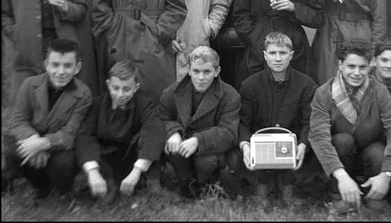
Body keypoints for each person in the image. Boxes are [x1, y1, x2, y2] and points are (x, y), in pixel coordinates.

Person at [309, 38, 391, 212]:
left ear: (370, 66)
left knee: (378, 151)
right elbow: (319, 136)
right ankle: (339, 195)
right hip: (340, 155)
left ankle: (372, 194)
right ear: (340, 65)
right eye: (351, 66)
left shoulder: (379, 90)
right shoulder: (324, 93)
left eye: (362, 67)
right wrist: (341, 176)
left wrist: (387, 174)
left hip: (369, 152)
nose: (356, 73)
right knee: (342, 140)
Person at [3, 39, 93, 198]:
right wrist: (33, 140)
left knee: (64, 164)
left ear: (77, 68)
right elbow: (18, 120)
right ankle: (40, 185)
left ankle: (62, 189)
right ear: (47, 65)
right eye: (55, 65)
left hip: (58, 147)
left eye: (67, 66)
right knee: (13, 153)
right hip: (32, 140)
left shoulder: (83, 94)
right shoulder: (30, 84)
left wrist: (44, 143)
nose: (61, 72)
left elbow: (70, 133)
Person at [234, 32, 317, 203]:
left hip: (293, 148)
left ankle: (289, 183)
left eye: (283, 53)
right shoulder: (250, 85)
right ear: (265, 55)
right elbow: (243, 122)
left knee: (314, 146)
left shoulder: (307, 85)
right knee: (257, 191)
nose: (278, 58)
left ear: (291, 55)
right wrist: (245, 146)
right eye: (272, 53)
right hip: (261, 148)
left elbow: (309, 122)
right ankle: (262, 181)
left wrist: (303, 145)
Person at [76, 60, 166, 204]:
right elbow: (85, 136)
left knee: (150, 134)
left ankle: (148, 179)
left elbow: (154, 131)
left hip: (132, 158)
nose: (120, 94)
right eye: (115, 88)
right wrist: (92, 171)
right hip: (106, 158)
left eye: (126, 89)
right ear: (108, 85)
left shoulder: (144, 104)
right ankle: (105, 180)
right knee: (105, 199)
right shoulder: (97, 105)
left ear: (136, 88)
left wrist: (137, 170)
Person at [158, 46, 241, 199]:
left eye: (207, 72)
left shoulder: (230, 96)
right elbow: (162, 118)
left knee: (207, 162)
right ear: (189, 70)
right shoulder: (171, 92)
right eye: (196, 71)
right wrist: (172, 132)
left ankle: (208, 183)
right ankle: (186, 181)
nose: (200, 77)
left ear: (217, 71)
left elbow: (229, 132)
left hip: (210, 148)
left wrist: (198, 141)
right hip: (182, 142)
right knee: (174, 148)